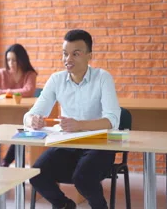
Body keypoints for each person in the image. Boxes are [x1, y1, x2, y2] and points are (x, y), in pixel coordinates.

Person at [25, 29, 121, 209]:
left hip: (100, 145)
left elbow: (112, 120)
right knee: (36, 173)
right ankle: (64, 205)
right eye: (65, 54)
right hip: (68, 144)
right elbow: (30, 114)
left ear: (89, 56)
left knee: (82, 177)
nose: (68, 59)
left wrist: (79, 125)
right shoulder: (56, 80)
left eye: (75, 54)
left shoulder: (103, 78)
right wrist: (33, 120)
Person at [0, 44, 38, 167]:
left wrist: (1, 91)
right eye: (9, 60)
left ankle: (5, 161)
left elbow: (28, 90)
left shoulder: (30, 74)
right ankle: (1, 164)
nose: (11, 63)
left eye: (14, 60)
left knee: (20, 132)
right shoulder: (1, 73)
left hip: (22, 114)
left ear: (22, 60)